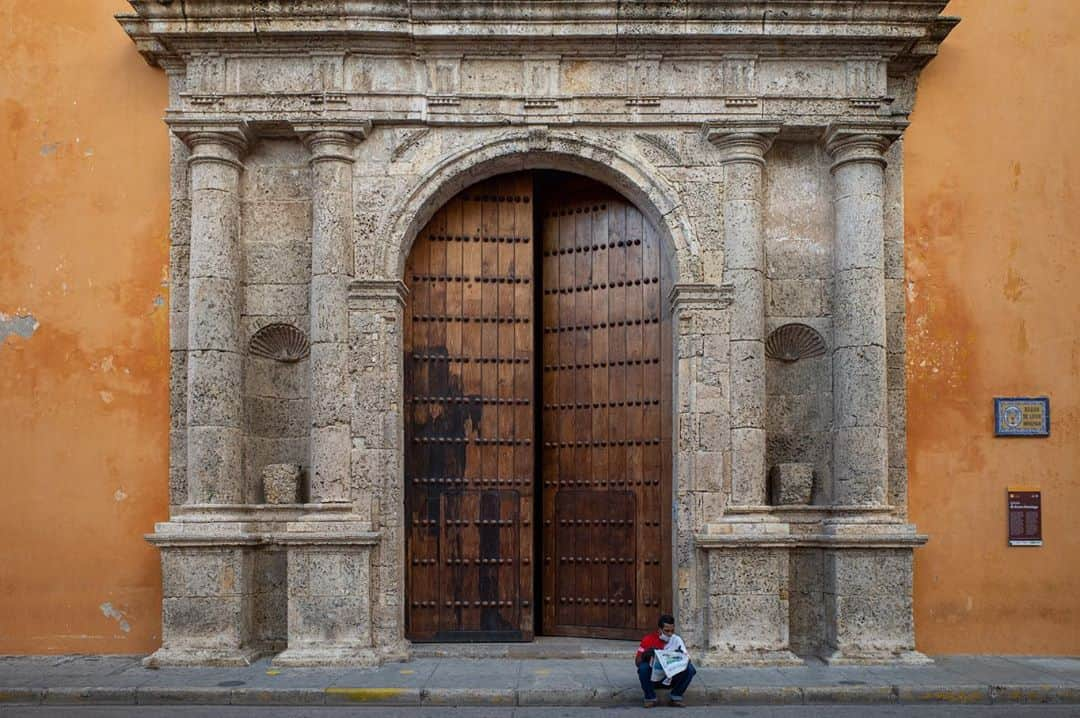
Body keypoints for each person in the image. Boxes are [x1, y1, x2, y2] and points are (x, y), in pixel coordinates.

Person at [634, 613, 696, 708]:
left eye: (672, 631)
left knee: (690, 669)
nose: (670, 634)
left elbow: (688, 660)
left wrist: (680, 656)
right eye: (667, 631)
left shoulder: (677, 640)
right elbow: (637, 663)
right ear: (659, 630)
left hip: (671, 678)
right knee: (643, 668)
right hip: (654, 678)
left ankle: (676, 696)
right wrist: (645, 655)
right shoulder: (648, 640)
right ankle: (650, 698)